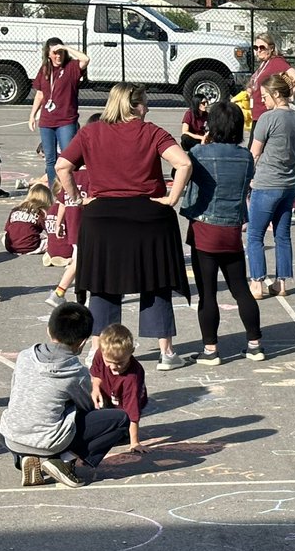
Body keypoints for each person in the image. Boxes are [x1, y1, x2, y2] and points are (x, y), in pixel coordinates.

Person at [55, 83, 192, 371]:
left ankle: (97, 352)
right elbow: (184, 164)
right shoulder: (151, 131)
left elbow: (62, 166)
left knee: (103, 286)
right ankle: (166, 352)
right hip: (148, 217)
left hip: (102, 217)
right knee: (156, 281)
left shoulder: (92, 131)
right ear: (135, 105)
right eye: (144, 103)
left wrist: (77, 198)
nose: (148, 108)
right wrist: (171, 198)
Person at [0, 302, 129, 487]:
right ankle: (64, 461)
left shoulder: (24, 356)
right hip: (50, 440)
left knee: (11, 418)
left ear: (48, 330)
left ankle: (24, 457)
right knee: (121, 419)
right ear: (82, 342)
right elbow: (87, 407)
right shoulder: (75, 371)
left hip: (11, 436)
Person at [179, 100, 263, 365]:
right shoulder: (245, 156)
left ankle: (211, 349)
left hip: (204, 228)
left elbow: (181, 172)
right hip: (232, 230)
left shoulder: (199, 153)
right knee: (241, 289)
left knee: (208, 293)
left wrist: (202, 145)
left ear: (212, 126)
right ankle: (255, 344)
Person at [248, 73, 295, 300]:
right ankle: (281, 284)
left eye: (265, 96)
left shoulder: (267, 119)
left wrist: (248, 178)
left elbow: (254, 152)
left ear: (277, 94)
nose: (263, 101)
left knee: (255, 235)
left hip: (267, 182)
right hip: (289, 183)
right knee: (282, 235)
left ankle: (257, 283)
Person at [28, 38, 89, 184]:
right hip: (47, 121)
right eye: (55, 53)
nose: (58, 56)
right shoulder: (44, 70)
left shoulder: (71, 67)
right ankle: (53, 191)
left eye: (61, 52)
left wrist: (66, 47)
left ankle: (69, 190)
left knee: (68, 158)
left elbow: (85, 59)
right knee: (50, 160)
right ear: (48, 54)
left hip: (66, 121)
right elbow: (40, 94)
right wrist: (32, 115)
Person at [90, 324, 149, 452]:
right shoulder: (102, 352)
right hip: (108, 393)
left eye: (119, 363)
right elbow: (97, 373)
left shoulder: (132, 377)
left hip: (125, 401)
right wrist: (95, 388)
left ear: (131, 352)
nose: (113, 367)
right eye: (109, 362)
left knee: (122, 424)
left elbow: (133, 412)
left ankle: (125, 433)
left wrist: (135, 443)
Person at [43, 172, 90, 308]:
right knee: (80, 262)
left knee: (80, 262)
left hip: (74, 228)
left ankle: (77, 295)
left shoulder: (71, 176)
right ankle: (59, 293)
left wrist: (58, 223)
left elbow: (62, 202)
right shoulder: (91, 176)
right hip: (85, 227)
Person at [246, 32, 295, 130]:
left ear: (271, 48)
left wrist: (281, 89)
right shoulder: (264, 63)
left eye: (262, 47)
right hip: (257, 113)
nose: (258, 50)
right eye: (256, 48)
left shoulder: (276, 62)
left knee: (256, 144)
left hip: (265, 113)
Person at [3, 184, 53, 255]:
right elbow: (50, 231)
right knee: (51, 242)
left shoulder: (16, 209)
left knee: (7, 236)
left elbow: (7, 229)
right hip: (31, 246)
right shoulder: (41, 212)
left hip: (10, 247)